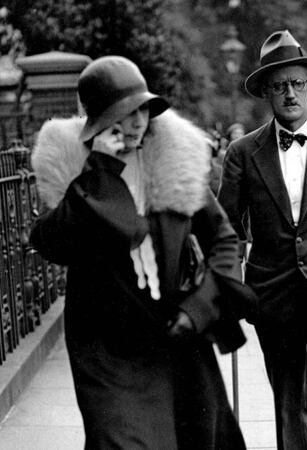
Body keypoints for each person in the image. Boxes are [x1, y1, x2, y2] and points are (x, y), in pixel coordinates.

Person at [29, 55, 255, 449]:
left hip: (177, 337)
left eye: (143, 110)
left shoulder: (172, 162)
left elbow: (222, 240)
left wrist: (199, 308)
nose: (136, 122)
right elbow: (51, 243)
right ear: (99, 120)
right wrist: (99, 171)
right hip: (107, 349)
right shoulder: (77, 172)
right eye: (124, 113)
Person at [217, 30, 307, 450]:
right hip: (272, 295)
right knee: (289, 406)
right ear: (266, 91)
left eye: (297, 83)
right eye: (279, 85)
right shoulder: (243, 152)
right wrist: (229, 285)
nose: (289, 93)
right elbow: (226, 228)